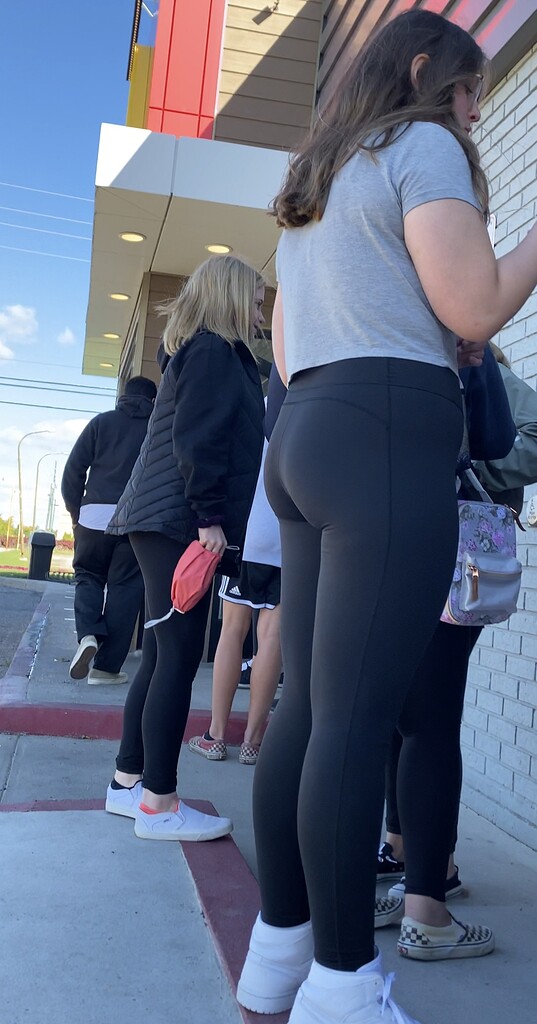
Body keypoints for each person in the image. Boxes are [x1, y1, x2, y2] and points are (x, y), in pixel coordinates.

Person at [236, 11, 537, 1024]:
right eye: (466, 92)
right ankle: (343, 983)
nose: (470, 114)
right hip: (388, 438)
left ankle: (278, 956)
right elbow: (479, 304)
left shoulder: (319, 180)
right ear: (423, 72)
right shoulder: (421, 146)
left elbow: (285, 350)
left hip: (311, 430)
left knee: (314, 713)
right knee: (360, 722)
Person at [104, 254, 265, 842]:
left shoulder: (201, 352)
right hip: (180, 524)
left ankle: (129, 783)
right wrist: (209, 519)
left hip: (163, 521)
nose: (260, 308)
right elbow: (198, 440)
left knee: (161, 652)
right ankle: (160, 802)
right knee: (176, 657)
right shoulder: (216, 354)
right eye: (254, 297)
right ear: (228, 296)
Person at [189, 433, 282, 766]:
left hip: (247, 537)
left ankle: (215, 736)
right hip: (290, 539)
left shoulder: (258, 410)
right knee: (272, 638)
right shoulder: (314, 401)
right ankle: (252, 743)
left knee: (231, 630)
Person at [61, 376, 157, 684]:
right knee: (125, 589)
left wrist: (77, 512)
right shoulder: (156, 430)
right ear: (153, 401)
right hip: (134, 520)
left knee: (88, 577)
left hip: (92, 517)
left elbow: (73, 471)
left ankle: (87, 634)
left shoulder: (101, 423)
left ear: (122, 397)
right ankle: (105, 668)